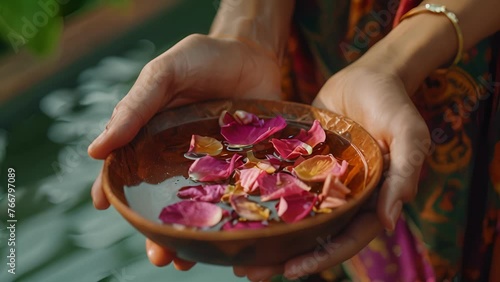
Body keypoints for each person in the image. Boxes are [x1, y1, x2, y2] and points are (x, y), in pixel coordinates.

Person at [88, 0, 500, 281]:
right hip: (315, 44)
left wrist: (399, 57)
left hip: (475, 59)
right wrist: (249, 30)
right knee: (322, 251)